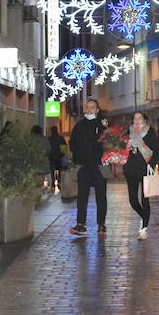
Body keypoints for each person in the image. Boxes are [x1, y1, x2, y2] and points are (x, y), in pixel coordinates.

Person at [69, 98, 108, 235]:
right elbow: (73, 143)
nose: (89, 110)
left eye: (92, 107)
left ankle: (101, 224)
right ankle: (81, 224)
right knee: (82, 195)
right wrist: (78, 158)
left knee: (101, 195)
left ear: (97, 110)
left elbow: (111, 142)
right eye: (87, 107)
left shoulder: (104, 125)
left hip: (102, 165)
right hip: (83, 165)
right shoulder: (79, 126)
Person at [123, 111, 159, 240]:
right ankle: (144, 217)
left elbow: (157, 151)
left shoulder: (150, 132)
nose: (137, 120)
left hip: (145, 169)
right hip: (131, 169)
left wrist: (152, 164)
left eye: (139, 118)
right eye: (135, 118)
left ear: (144, 120)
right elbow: (122, 149)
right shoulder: (128, 133)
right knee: (133, 201)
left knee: (145, 200)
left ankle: (144, 229)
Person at [47, 124, 67, 192]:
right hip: (59, 157)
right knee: (59, 171)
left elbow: (48, 149)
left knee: (52, 171)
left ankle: (53, 183)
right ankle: (59, 183)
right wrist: (64, 154)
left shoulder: (49, 139)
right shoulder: (61, 138)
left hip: (52, 157)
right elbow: (64, 148)